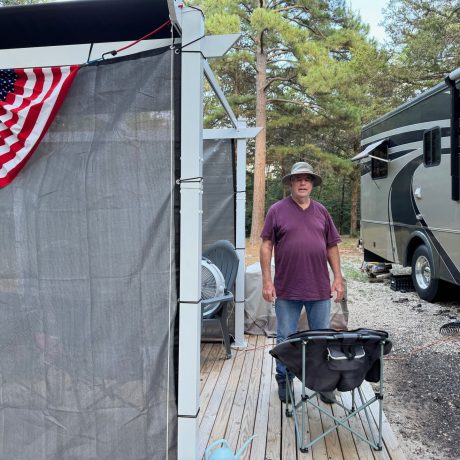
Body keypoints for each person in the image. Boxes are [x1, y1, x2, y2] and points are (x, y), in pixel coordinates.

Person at [260, 161, 345, 404]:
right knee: (286, 337)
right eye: (298, 179)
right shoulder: (277, 210)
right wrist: (267, 281)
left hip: (318, 287)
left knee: (322, 338)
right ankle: (284, 379)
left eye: (307, 179)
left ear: (312, 184)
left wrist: (338, 278)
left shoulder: (322, 212)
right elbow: (266, 246)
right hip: (287, 288)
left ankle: (323, 382)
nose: (303, 182)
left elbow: (332, 246)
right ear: (290, 183)